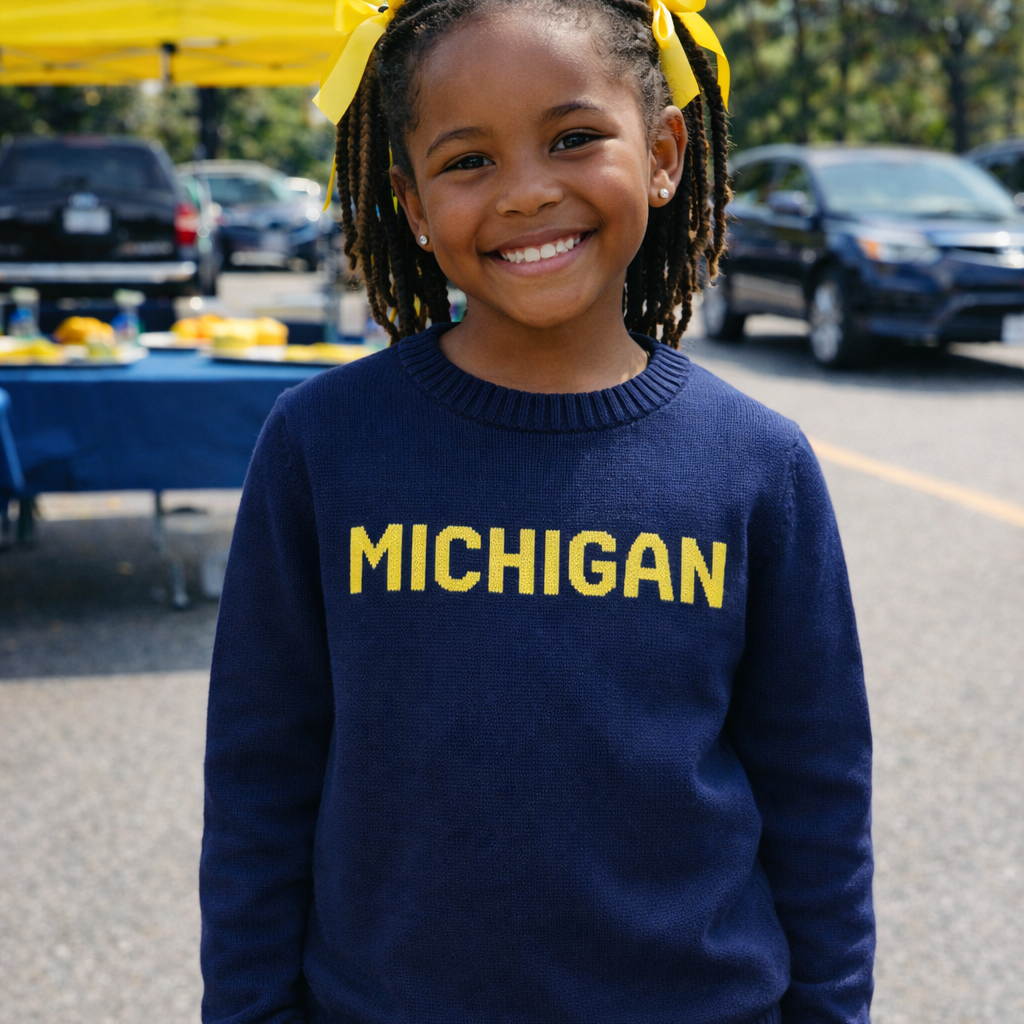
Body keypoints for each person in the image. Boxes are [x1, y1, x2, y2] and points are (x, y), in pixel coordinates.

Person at [200, 0, 874, 1022]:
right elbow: (259, 778)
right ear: (410, 201)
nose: (525, 193)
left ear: (662, 153)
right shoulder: (321, 445)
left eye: (571, 138)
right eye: (468, 160)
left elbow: (817, 792)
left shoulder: (758, 464)